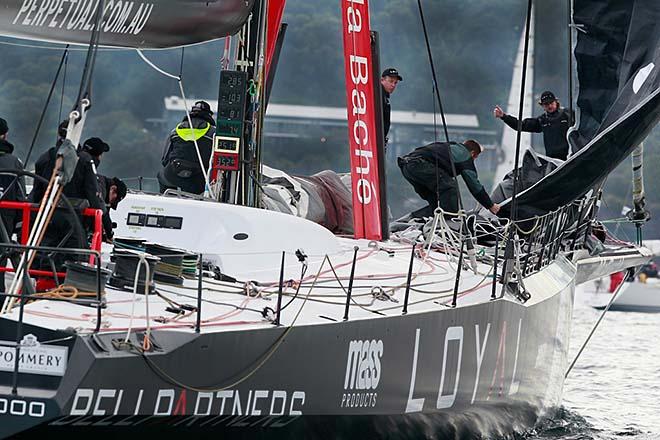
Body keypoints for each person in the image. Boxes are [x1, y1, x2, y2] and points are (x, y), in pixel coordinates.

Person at [398, 140, 500, 218]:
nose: (473, 160)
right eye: (475, 157)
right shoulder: (464, 155)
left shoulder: (449, 146)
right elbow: (474, 186)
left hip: (406, 166)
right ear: (473, 153)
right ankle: (450, 224)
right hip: (420, 165)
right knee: (450, 188)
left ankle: (419, 220)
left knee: (436, 202)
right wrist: (490, 205)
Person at [493, 91, 573, 161]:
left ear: (556, 102)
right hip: (553, 161)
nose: (549, 106)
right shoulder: (542, 120)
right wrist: (503, 116)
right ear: (542, 106)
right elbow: (521, 125)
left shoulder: (568, 114)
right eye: (546, 104)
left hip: (571, 156)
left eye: (551, 103)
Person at [158, 100, 216, 195]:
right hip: (199, 181)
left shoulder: (175, 131)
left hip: (174, 175)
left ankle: (167, 200)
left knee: (162, 176)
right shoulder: (213, 134)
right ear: (209, 115)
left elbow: (164, 160)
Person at [0, 118, 26, 291]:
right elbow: (21, 198)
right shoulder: (15, 163)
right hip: (5, 220)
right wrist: (18, 228)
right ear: (5, 135)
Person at [381, 68, 402, 143]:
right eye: (391, 81)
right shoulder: (378, 95)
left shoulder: (384, 97)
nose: (393, 85)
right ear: (382, 80)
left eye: (395, 83)